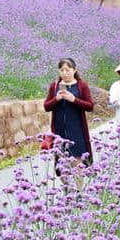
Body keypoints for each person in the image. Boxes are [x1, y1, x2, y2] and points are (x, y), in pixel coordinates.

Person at [43, 58, 94, 190]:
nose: (65, 73)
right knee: (62, 163)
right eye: (62, 70)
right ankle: (67, 192)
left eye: (68, 70)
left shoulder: (81, 85)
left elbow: (90, 106)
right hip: (59, 132)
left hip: (77, 131)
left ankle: (78, 192)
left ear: (74, 70)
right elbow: (46, 106)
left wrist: (73, 99)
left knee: (78, 163)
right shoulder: (54, 86)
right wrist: (57, 99)